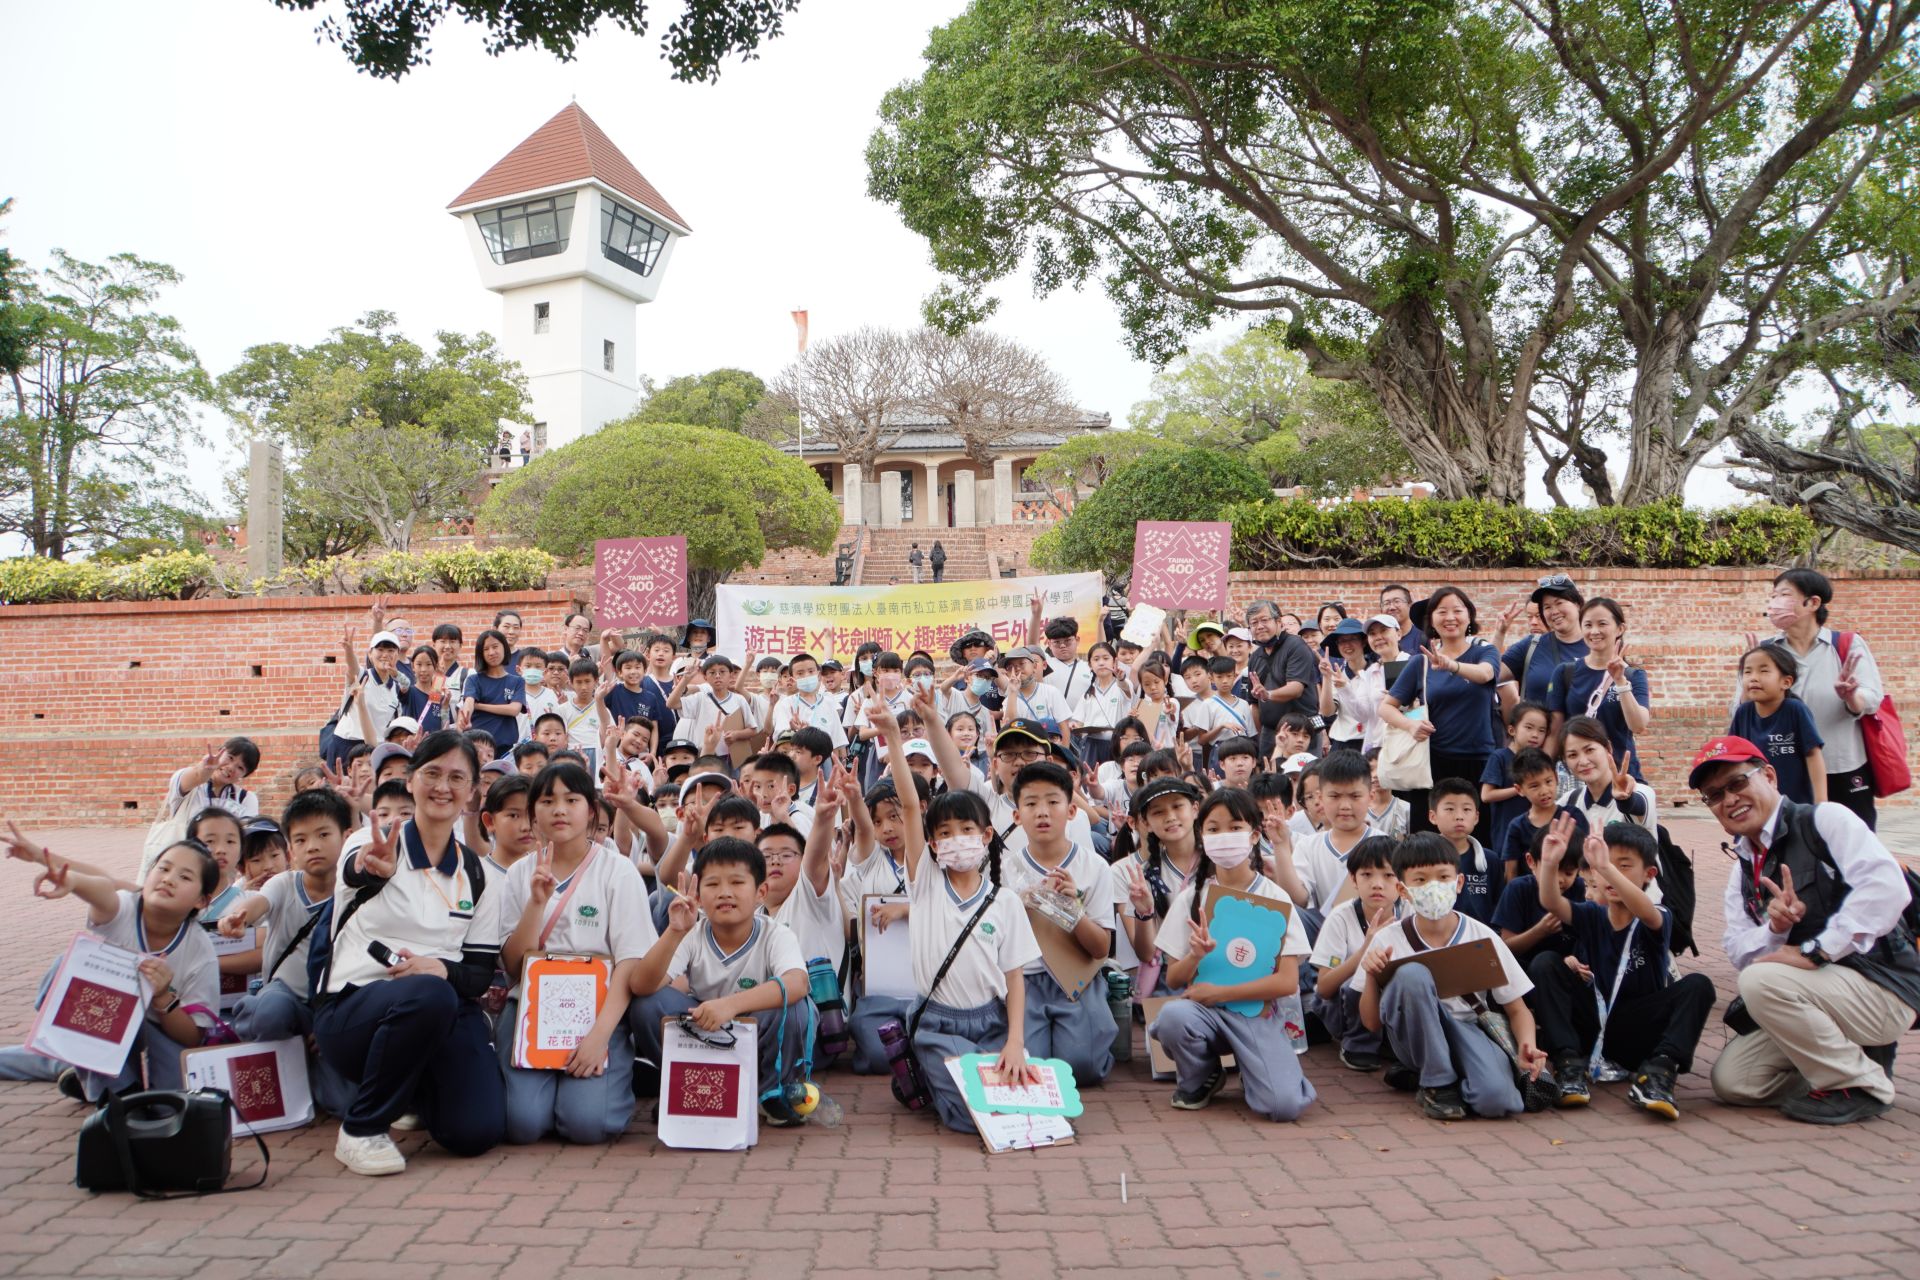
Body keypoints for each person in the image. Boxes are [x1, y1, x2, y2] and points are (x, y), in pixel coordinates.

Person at [1693, 735, 1918, 1125]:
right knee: (1736, 1082)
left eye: (1737, 783)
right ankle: (1852, 1059)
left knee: (1761, 981)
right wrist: (1776, 930)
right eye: (1714, 795)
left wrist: (1816, 950)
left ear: (1769, 776)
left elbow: (1886, 888)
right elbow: (1738, 951)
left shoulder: (1825, 820)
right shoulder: (1743, 866)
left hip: (1883, 987)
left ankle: (1862, 1084)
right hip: (1820, 998)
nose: (1728, 800)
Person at [312, 730, 505, 1175]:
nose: (443, 787)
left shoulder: (478, 874)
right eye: (432, 773)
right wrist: (372, 868)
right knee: (428, 995)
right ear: (412, 779)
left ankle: (412, 1090)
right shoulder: (372, 842)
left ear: (473, 791)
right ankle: (361, 1129)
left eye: (457, 777)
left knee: (474, 1132)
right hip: (354, 1010)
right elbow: (358, 870)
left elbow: (476, 976)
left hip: (439, 1008)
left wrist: (441, 968)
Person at [490, 762, 653, 1146]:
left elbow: (630, 961)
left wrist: (599, 1036)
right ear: (534, 814)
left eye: (572, 799)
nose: (559, 810)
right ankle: (546, 1093)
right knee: (522, 1124)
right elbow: (514, 966)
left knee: (587, 1125)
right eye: (547, 801)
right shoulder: (518, 875)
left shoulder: (618, 872)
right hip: (532, 1012)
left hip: (597, 1010)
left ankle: (609, 1076)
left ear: (592, 811)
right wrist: (535, 903)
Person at [0, 832, 221, 1101]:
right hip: (100, 1021)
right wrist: (70, 881)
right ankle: (117, 1089)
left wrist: (164, 998)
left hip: (155, 1031)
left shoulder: (200, 951)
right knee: (65, 966)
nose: (168, 879)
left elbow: (193, 1037)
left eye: (184, 877)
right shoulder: (124, 908)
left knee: (176, 1096)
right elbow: (102, 889)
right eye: (163, 868)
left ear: (201, 900)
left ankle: (84, 1069)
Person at [1143, 787, 1317, 1120]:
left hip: (1258, 1014)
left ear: (1254, 836)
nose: (1224, 836)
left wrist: (1220, 992)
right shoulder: (1193, 898)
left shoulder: (1274, 898)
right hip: (1205, 1015)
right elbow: (1176, 978)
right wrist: (1195, 955)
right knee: (1173, 1018)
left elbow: (1287, 982)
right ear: (1202, 835)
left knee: (1284, 1107)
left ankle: (1259, 1070)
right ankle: (1202, 1076)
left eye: (1235, 827)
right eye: (1213, 828)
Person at [626, 838, 817, 1128]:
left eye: (737, 883)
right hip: (703, 1027)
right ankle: (682, 1085)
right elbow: (640, 985)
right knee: (646, 1004)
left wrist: (730, 1006)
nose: (725, 893)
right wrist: (673, 933)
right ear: (699, 895)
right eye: (713, 884)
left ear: (760, 892)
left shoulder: (776, 934)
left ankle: (770, 1092)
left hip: (750, 1024)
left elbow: (797, 983)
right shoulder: (691, 933)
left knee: (796, 1008)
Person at [1358, 833, 1548, 1121]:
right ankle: (1437, 1083)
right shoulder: (1388, 938)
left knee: (1497, 1102)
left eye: (1443, 876)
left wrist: (1527, 1046)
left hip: (1467, 1029)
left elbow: (1517, 1008)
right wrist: (1372, 974)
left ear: (1459, 882)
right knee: (1412, 974)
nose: (1433, 887)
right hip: (1413, 1038)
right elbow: (1371, 1023)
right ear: (1403, 889)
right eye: (1420, 880)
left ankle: (1428, 1078)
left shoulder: (1481, 936)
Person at [1533, 817, 1715, 1118]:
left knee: (1699, 985)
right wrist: (1550, 864)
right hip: (1593, 1027)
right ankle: (1568, 1066)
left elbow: (1647, 913)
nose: (1611, 873)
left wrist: (1605, 867)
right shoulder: (1592, 914)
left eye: (1624, 865)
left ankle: (1659, 1072)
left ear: (1649, 874)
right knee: (1546, 964)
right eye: (1605, 863)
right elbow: (1551, 901)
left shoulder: (1657, 915)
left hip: (1640, 1030)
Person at [219, 788, 354, 1046]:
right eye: (301, 840)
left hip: (335, 1002)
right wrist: (240, 916)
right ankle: (251, 1016)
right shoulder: (284, 883)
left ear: (346, 837)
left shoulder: (355, 893)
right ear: (291, 849)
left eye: (323, 835)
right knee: (272, 1012)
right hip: (285, 995)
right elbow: (261, 902)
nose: (312, 846)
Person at [1753, 568, 1886, 826]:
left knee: (1852, 846)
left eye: (1784, 594)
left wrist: (1851, 696)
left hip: (1842, 765)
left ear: (1813, 602)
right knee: (1790, 846)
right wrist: (1753, 684)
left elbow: (1872, 698)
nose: (1775, 603)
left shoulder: (1846, 644)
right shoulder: (1766, 650)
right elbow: (1739, 709)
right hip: (1786, 768)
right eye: (1773, 595)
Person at [1378, 586, 1500, 839]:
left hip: (1480, 762)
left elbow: (1486, 674)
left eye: (1457, 610)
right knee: (1428, 841)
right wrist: (1410, 725)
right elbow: (1386, 707)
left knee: (1479, 837)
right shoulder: (1419, 662)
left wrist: (1451, 665)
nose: (1450, 617)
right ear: (1432, 620)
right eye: (1442, 611)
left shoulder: (1484, 652)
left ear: (1469, 617)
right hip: (1432, 764)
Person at [1307, 835, 1403, 1072]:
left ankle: (1393, 1040)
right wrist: (1365, 949)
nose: (1377, 884)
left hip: (1388, 1002)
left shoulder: (1411, 912)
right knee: (1357, 978)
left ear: (1402, 881)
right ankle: (1358, 1044)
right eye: (1367, 875)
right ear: (1353, 879)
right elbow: (1325, 988)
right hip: (1341, 1007)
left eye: (1388, 875)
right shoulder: (1341, 917)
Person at [1546, 597, 1651, 779]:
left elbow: (1638, 725)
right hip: (1578, 777)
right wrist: (1545, 770)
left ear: (1620, 629)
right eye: (1588, 625)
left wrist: (1620, 682)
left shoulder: (1634, 676)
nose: (1594, 631)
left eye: (1602, 624)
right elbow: (1555, 731)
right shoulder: (1565, 672)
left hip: (1621, 775)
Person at [1729, 643, 1827, 805]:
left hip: (1795, 805)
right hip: (1756, 805)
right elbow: (1734, 758)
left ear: (1786, 682)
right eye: (1747, 671)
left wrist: (1821, 803)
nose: (1753, 677)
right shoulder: (1743, 713)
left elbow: (1813, 755)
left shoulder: (1795, 710)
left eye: (1764, 671)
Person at [1492, 822, 1585, 970]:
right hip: (1524, 971)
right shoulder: (1518, 889)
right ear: (1531, 862)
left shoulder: (1582, 889)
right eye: (1552, 869)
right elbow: (1506, 947)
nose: (1560, 879)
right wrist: (1540, 931)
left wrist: (1577, 960)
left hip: (1566, 970)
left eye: (1569, 873)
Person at [1496, 574, 1589, 710]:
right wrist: (1500, 633)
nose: (1554, 611)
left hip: (1584, 730)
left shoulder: (1598, 645)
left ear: (1577, 604)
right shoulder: (1531, 645)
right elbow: (1491, 674)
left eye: (1559, 603)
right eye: (1547, 607)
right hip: (1539, 731)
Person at [1245, 601, 1321, 759]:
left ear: (1278, 622)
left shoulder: (1296, 646)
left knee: (1304, 780)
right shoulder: (1254, 657)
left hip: (1301, 731)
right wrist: (1262, 735)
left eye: (1264, 620)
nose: (1259, 626)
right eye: (1254, 623)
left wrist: (1268, 694)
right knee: (1270, 779)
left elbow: (1296, 688)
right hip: (1269, 732)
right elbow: (1254, 703)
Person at [1480, 702, 1551, 860]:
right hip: (1505, 832)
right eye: (1529, 727)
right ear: (1512, 730)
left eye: (1542, 730)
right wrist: (1520, 789)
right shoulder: (1500, 757)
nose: (1535, 735)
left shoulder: (1540, 761)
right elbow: (1486, 795)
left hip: (1535, 831)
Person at [163, 738, 263, 823]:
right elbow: (198, 776)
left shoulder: (246, 799)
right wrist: (205, 770)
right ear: (220, 752)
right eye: (230, 758)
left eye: (240, 768)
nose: (231, 768)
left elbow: (248, 837)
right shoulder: (189, 784)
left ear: (244, 775)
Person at [462, 628, 526, 757]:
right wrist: (466, 716)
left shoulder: (517, 681)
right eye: (486, 649)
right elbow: (469, 701)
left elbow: (514, 709)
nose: (491, 652)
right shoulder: (474, 679)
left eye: (495, 647)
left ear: (504, 648)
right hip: (477, 746)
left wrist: (480, 706)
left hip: (506, 748)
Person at [1378, 583, 1424, 656]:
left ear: (1410, 605)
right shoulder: (1378, 641)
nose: (1392, 607)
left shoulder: (1423, 637)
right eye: (1386, 603)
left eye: (1397, 601)